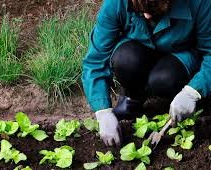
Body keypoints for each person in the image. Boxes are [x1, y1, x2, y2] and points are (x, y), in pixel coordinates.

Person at [81, 0, 211, 146]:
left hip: (180, 53)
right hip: (139, 49)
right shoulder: (116, 3)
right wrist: (102, 111)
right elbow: (95, 60)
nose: (147, 16)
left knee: (163, 79)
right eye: (140, 10)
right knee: (125, 60)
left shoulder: (200, 3)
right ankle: (133, 97)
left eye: (154, 10)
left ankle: (177, 100)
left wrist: (194, 91)